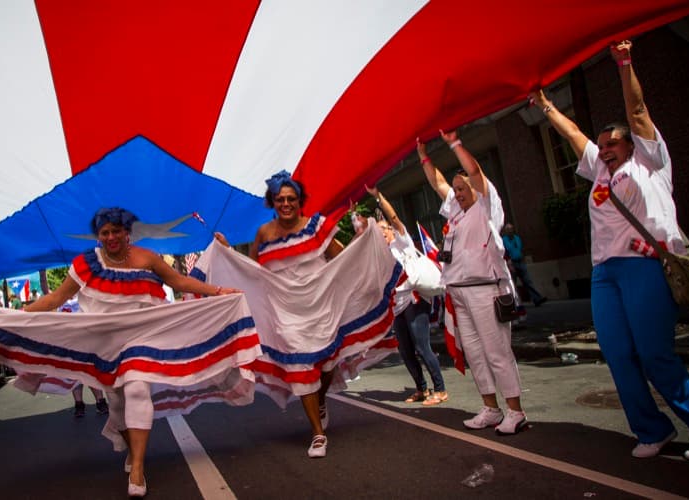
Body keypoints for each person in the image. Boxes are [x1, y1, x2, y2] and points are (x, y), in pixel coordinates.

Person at [531, 40, 689, 460]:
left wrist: (624, 64)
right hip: (604, 274)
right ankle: (652, 430)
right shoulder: (598, 172)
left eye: (612, 143)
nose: (604, 148)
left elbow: (638, 112)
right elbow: (573, 135)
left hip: (644, 268)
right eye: (602, 144)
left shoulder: (649, 162)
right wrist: (544, 105)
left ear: (632, 145)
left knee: (653, 353)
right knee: (618, 354)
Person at [24, 207, 242, 498]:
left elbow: (178, 282)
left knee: (138, 389)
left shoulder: (147, 258)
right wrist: (20, 314)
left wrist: (217, 291)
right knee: (117, 406)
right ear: (98, 236)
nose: (111, 237)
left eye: (117, 231)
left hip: (142, 339)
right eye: (105, 233)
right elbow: (56, 297)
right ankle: (130, 447)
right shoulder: (85, 263)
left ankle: (138, 467)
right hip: (104, 345)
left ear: (127, 232)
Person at [210, 170, 401, 459]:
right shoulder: (263, 234)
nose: (285, 203)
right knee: (302, 370)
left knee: (326, 366)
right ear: (272, 202)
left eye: (291, 199)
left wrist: (364, 248)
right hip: (286, 314)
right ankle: (317, 433)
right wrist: (227, 253)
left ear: (300, 201)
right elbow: (253, 272)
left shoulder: (316, 226)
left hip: (321, 307)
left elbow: (341, 257)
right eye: (280, 199)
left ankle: (320, 400)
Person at [418, 130, 528, 435]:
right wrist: (423, 155)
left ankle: (515, 412)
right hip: (460, 294)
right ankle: (491, 409)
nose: (458, 193)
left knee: (497, 352)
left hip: (485, 291)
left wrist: (454, 143)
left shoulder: (487, 206)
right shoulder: (455, 210)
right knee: (476, 354)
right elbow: (437, 182)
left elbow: (476, 173)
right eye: (456, 189)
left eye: (463, 188)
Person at [366, 185, 448, 406]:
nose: (381, 234)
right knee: (405, 350)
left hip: (414, 301)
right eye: (378, 233)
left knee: (422, 347)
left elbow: (393, 216)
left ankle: (440, 389)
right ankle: (422, 388)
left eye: (383, 230)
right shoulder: (382, 255)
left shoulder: (402, 242)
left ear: (391, 230)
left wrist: (378, 197)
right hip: (397, 305)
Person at [501, 223, 547, 306]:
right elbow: (503, 252)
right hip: (512, 263)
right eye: (508, 229)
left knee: (528, 281)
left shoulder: (517, 238)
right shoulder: (503, 240)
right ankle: (514, 303)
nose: (510, 231)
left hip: (520, 262)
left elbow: (520, 249)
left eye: (511, 229)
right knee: (513, 284)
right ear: (505, 231)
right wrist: (508, 262)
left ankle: (537, 299)